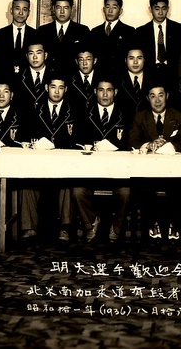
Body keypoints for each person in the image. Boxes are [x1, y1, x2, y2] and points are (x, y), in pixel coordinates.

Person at [129, 81, 181, 240]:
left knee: (179, 186)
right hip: (147, 171)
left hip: (172, 170)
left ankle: (173, 224)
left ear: (167, 96)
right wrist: (149, 145)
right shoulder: (140, 117)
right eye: (153, 96)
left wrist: (168, 145)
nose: (157, 100)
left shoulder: (179, 116)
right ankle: (152, 223)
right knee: (142, 186)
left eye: (161, 95)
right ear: (148, 99)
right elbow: (132, 141)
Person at [20, 70, 78, 242]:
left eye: (61, 87)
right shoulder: (34, 109)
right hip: (39, 164)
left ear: (66, 89)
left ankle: (65, 228)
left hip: (64, 164)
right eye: (53, 87)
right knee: (26, 181)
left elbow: (78, 140)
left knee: (68, 181)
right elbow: (25, 136)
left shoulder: (74, 110)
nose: (57, 91)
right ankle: (29, 227)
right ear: (46, 88)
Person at [73, 76, 131, 243]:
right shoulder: (85, 113)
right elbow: (77, 141)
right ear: (95, 92)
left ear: (115, 92)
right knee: (77, 191)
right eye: (101, 90)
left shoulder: (126, 114)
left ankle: (116, 227)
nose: (105, 95)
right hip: (90, 172)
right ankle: (91, 223)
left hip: (117, 173)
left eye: (109, 90)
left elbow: (130, 143)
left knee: (126, 192)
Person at [134, 0, 181, 85]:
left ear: (168, 9)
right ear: (150, 9)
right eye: (157, 9)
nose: (160, 13)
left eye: (164, 8)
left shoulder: (179, 29)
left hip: (173, 75)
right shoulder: (141, 31)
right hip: (149, 75)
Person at [36, 0, 90, 71]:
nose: (62, 11)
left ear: (71, 9)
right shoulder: (43, 31)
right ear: (53, 9)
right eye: (59, 7)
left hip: (73, 75)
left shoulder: (82, 30)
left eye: (65, 8)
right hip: (49, 75)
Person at [89, 0, 135, 73]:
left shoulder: (129, 31)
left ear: (120, 11)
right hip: (99, 75)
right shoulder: (95, 31)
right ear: (103, 10)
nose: (110, 11)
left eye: (114, 7)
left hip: (120, 76)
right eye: (107, 7)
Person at [0, 0, 39, 72]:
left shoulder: (36, 35)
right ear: (11, 10)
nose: (21, 13)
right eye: (17, 9)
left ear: (28, 13)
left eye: (24, 10)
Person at [12, 40, 49, 114]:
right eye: (31, 53)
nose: (35, 57)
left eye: (38, 53)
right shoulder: (18, 77)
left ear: (45, 55)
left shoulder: (54, 75)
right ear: (27, 56)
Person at [117, 47, 151, 124]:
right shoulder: (117, 82)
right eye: (131, 58)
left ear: (144, 60)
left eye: (139, 58)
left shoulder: (153, 79)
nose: (135, 62)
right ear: (125, 60)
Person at [66, 47, 99, 116]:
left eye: (88, 59)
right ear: (76, 61)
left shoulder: (103, 79)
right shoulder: (68, 80)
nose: (84, 63)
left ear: (95, 61)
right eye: (81, 60)